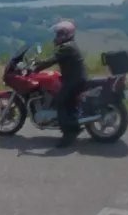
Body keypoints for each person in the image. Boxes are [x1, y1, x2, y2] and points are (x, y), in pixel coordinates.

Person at [33, 19, 87, 147]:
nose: (56, 37)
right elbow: (53, 58)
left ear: (66, 34)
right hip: (74, 78)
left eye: (59, 34)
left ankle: (69, 135)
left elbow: (52, 60)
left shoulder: (67, 47)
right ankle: (74, 127)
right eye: (57, 34)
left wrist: (35, 68)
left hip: (74, 80)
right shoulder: (69, 45)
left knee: (61, 102)